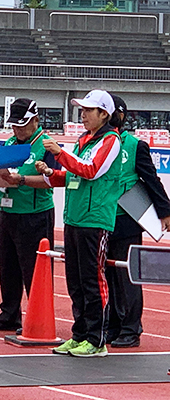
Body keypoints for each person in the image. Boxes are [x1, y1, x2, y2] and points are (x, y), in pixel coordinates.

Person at [31, 89, 122, 357]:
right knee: (76, 282)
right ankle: (79, 334)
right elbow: (72, 175)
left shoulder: (110, 141)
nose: (82, 114)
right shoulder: (84, 140)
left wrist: (59, 154)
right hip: (74, 217)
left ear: (103, 114)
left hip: (95, 219)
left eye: (87, 110)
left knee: (93, 281)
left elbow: (91, 170)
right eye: (81, 109)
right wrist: (50, 173)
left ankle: (96, 340)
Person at [0, 98, 57, 332]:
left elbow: (53, 180)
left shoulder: (46, 145)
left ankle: (39, 317)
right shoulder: (10, 143)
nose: (17, 129)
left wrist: (22, 180)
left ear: (35, 120)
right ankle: (9, 314)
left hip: (35, 214)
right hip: (7, 211)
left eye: (22, 124)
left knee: (34, 270)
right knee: (8, 266)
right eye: (14, 125)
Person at [105, 94, 170, 348]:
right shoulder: (91, 143)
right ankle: (112, 324)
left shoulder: (134, 145)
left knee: (127, 277)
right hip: (100, 219)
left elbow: (151, 179)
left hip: (126, 220)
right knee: (106, 276)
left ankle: (131, 328)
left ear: (118, 115)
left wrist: (165, 211)